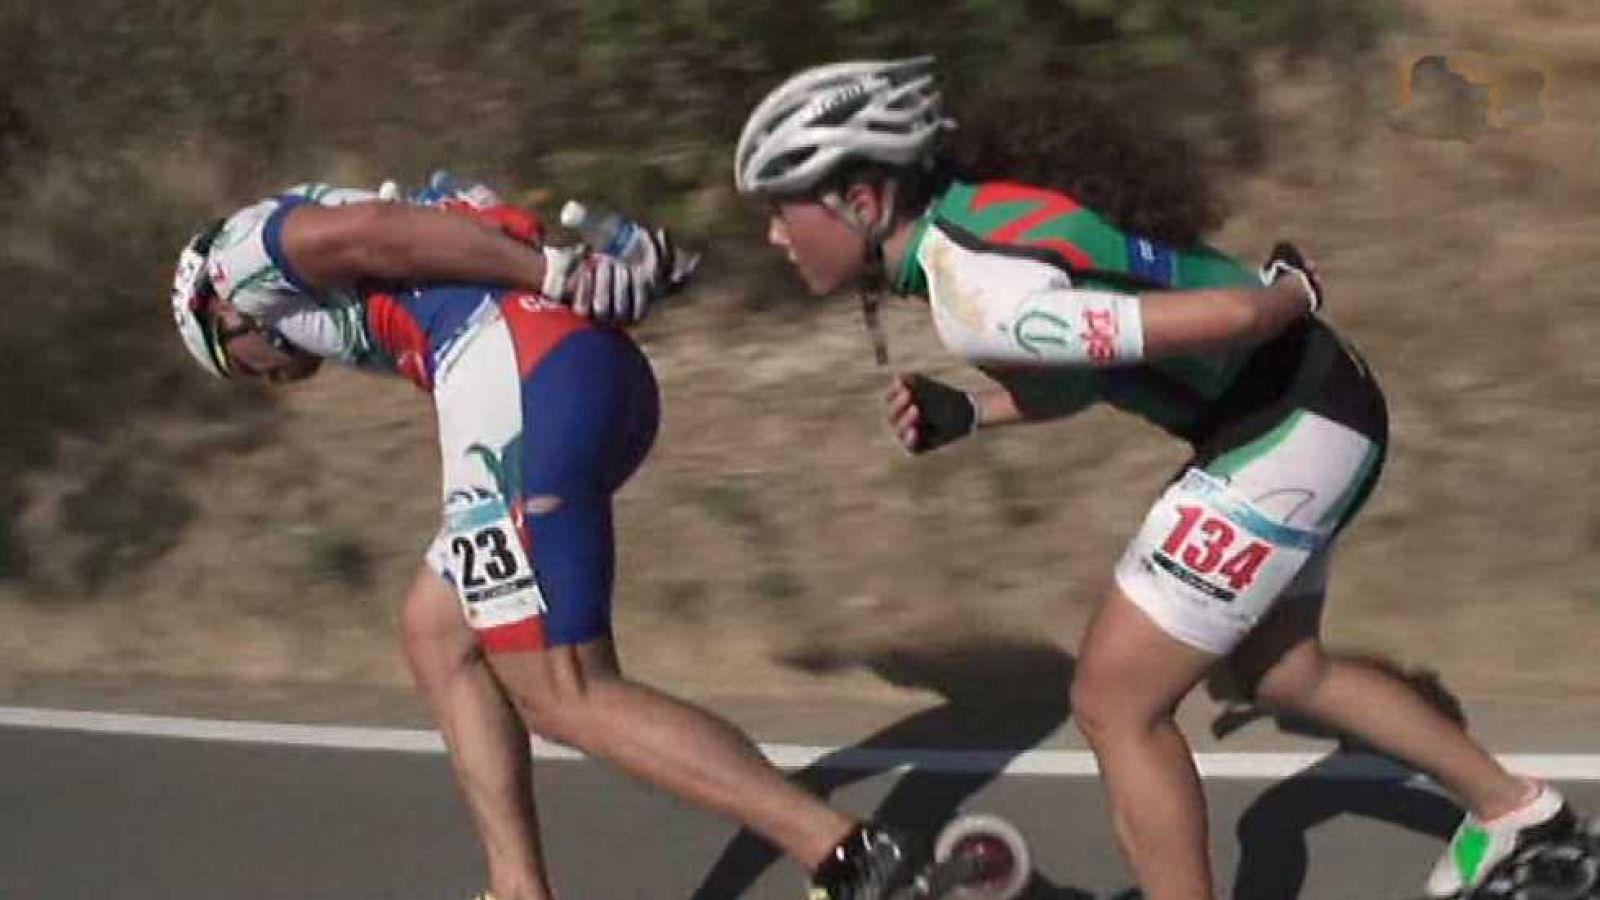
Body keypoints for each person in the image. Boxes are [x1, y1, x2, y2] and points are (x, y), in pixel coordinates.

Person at [731, 57, 1582, 900]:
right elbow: (1076, 371)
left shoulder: (976, 293)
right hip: (1313, 404)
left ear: (863, 200)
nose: (773, 235)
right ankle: (1522, 819)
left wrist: (1286, 290)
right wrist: (970, 414)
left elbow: (1230, 315)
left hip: (1287, 424)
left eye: (781, 210)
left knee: (1113, 701)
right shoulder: (972, 218)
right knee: (1285, 674)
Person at [166, 173, 923, 900]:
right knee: (437, 632)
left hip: (515, 378)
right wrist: (606, 274)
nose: (271, 379)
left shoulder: (237, 261)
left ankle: (846, 854)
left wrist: (552, 270)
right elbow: (455, 234)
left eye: (242, 364)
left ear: (222, 314)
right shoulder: (401, 233)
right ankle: (518, 889)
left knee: (561, 691)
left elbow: (378, 232)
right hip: (580, 373)